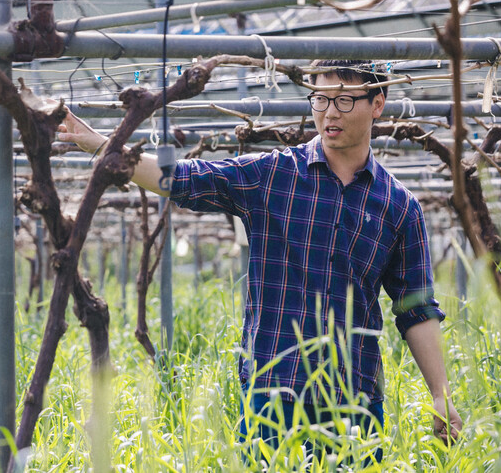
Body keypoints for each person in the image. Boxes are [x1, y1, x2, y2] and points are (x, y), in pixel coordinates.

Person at [57, 60, 462, 461]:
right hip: (274, 393)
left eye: (343, 99)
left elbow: (416, 308)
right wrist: (103, 146)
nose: (329, 112)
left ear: (377, 104)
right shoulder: (274, 175)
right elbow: (185, 178)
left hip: (355, 401)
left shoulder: (398, 206)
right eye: (320, 99)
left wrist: (440, 393)